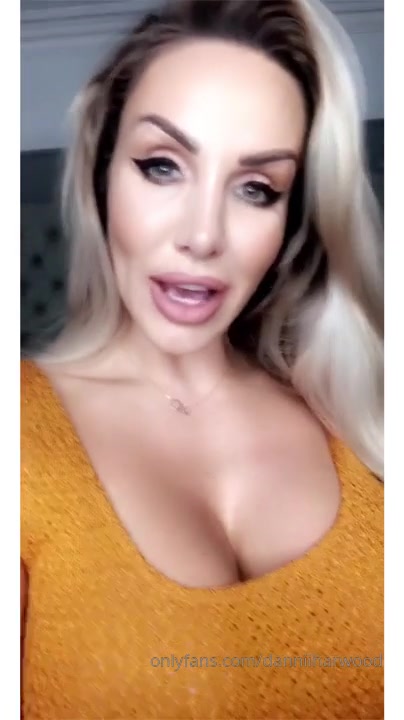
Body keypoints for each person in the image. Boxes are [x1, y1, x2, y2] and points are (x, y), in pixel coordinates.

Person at [20, 0, 384, 718]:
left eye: (256, 189)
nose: (203, 234)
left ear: (294, 217)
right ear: (101, 172)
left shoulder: (361, 415)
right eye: (162, 166)